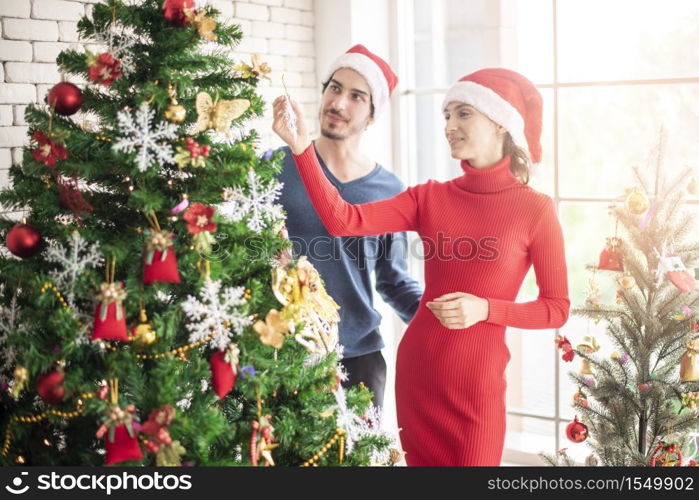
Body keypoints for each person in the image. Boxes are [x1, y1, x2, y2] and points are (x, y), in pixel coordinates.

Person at [272, 68, 570, 466]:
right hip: (419, 373)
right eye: (446, 115)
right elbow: (342, 219)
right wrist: (300, 148)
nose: (450, 125)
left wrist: (486, 309)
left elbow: (556, 308)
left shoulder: (535, 209)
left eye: (463, 113)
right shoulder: (429, 197)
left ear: (500, 123)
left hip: (477, 386)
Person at [275, 45, 423, 409]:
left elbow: (393, 279)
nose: (339, 103)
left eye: (357, 96)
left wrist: (442, 324)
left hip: (359, 358)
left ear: (372, 115)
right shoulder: (275, 168)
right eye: (335, 88)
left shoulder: (388, 190)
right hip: (281, 351)